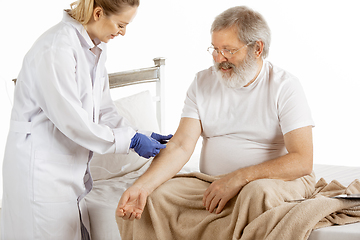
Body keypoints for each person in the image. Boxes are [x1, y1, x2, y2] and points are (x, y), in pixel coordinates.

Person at [116, 5, 315, 237]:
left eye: (229, 50)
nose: (219, 59)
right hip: (212, 182)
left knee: (256, 194)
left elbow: (302, 160)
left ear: (257, 49)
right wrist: (142, 186)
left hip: (271, 182)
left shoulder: (285, 86)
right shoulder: (202, 83)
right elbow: (181, 146)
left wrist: (239, 177)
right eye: (215, 49)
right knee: (155, 198)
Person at [0, 0, 172, 239]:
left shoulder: (95, 47)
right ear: (98, 13)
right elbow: (74, 122)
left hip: (67, 171)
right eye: (121, 24)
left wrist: (138, 133)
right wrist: (129, 142)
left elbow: (103, 110)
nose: (123, 32)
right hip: (40, 172)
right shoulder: (56, 48)